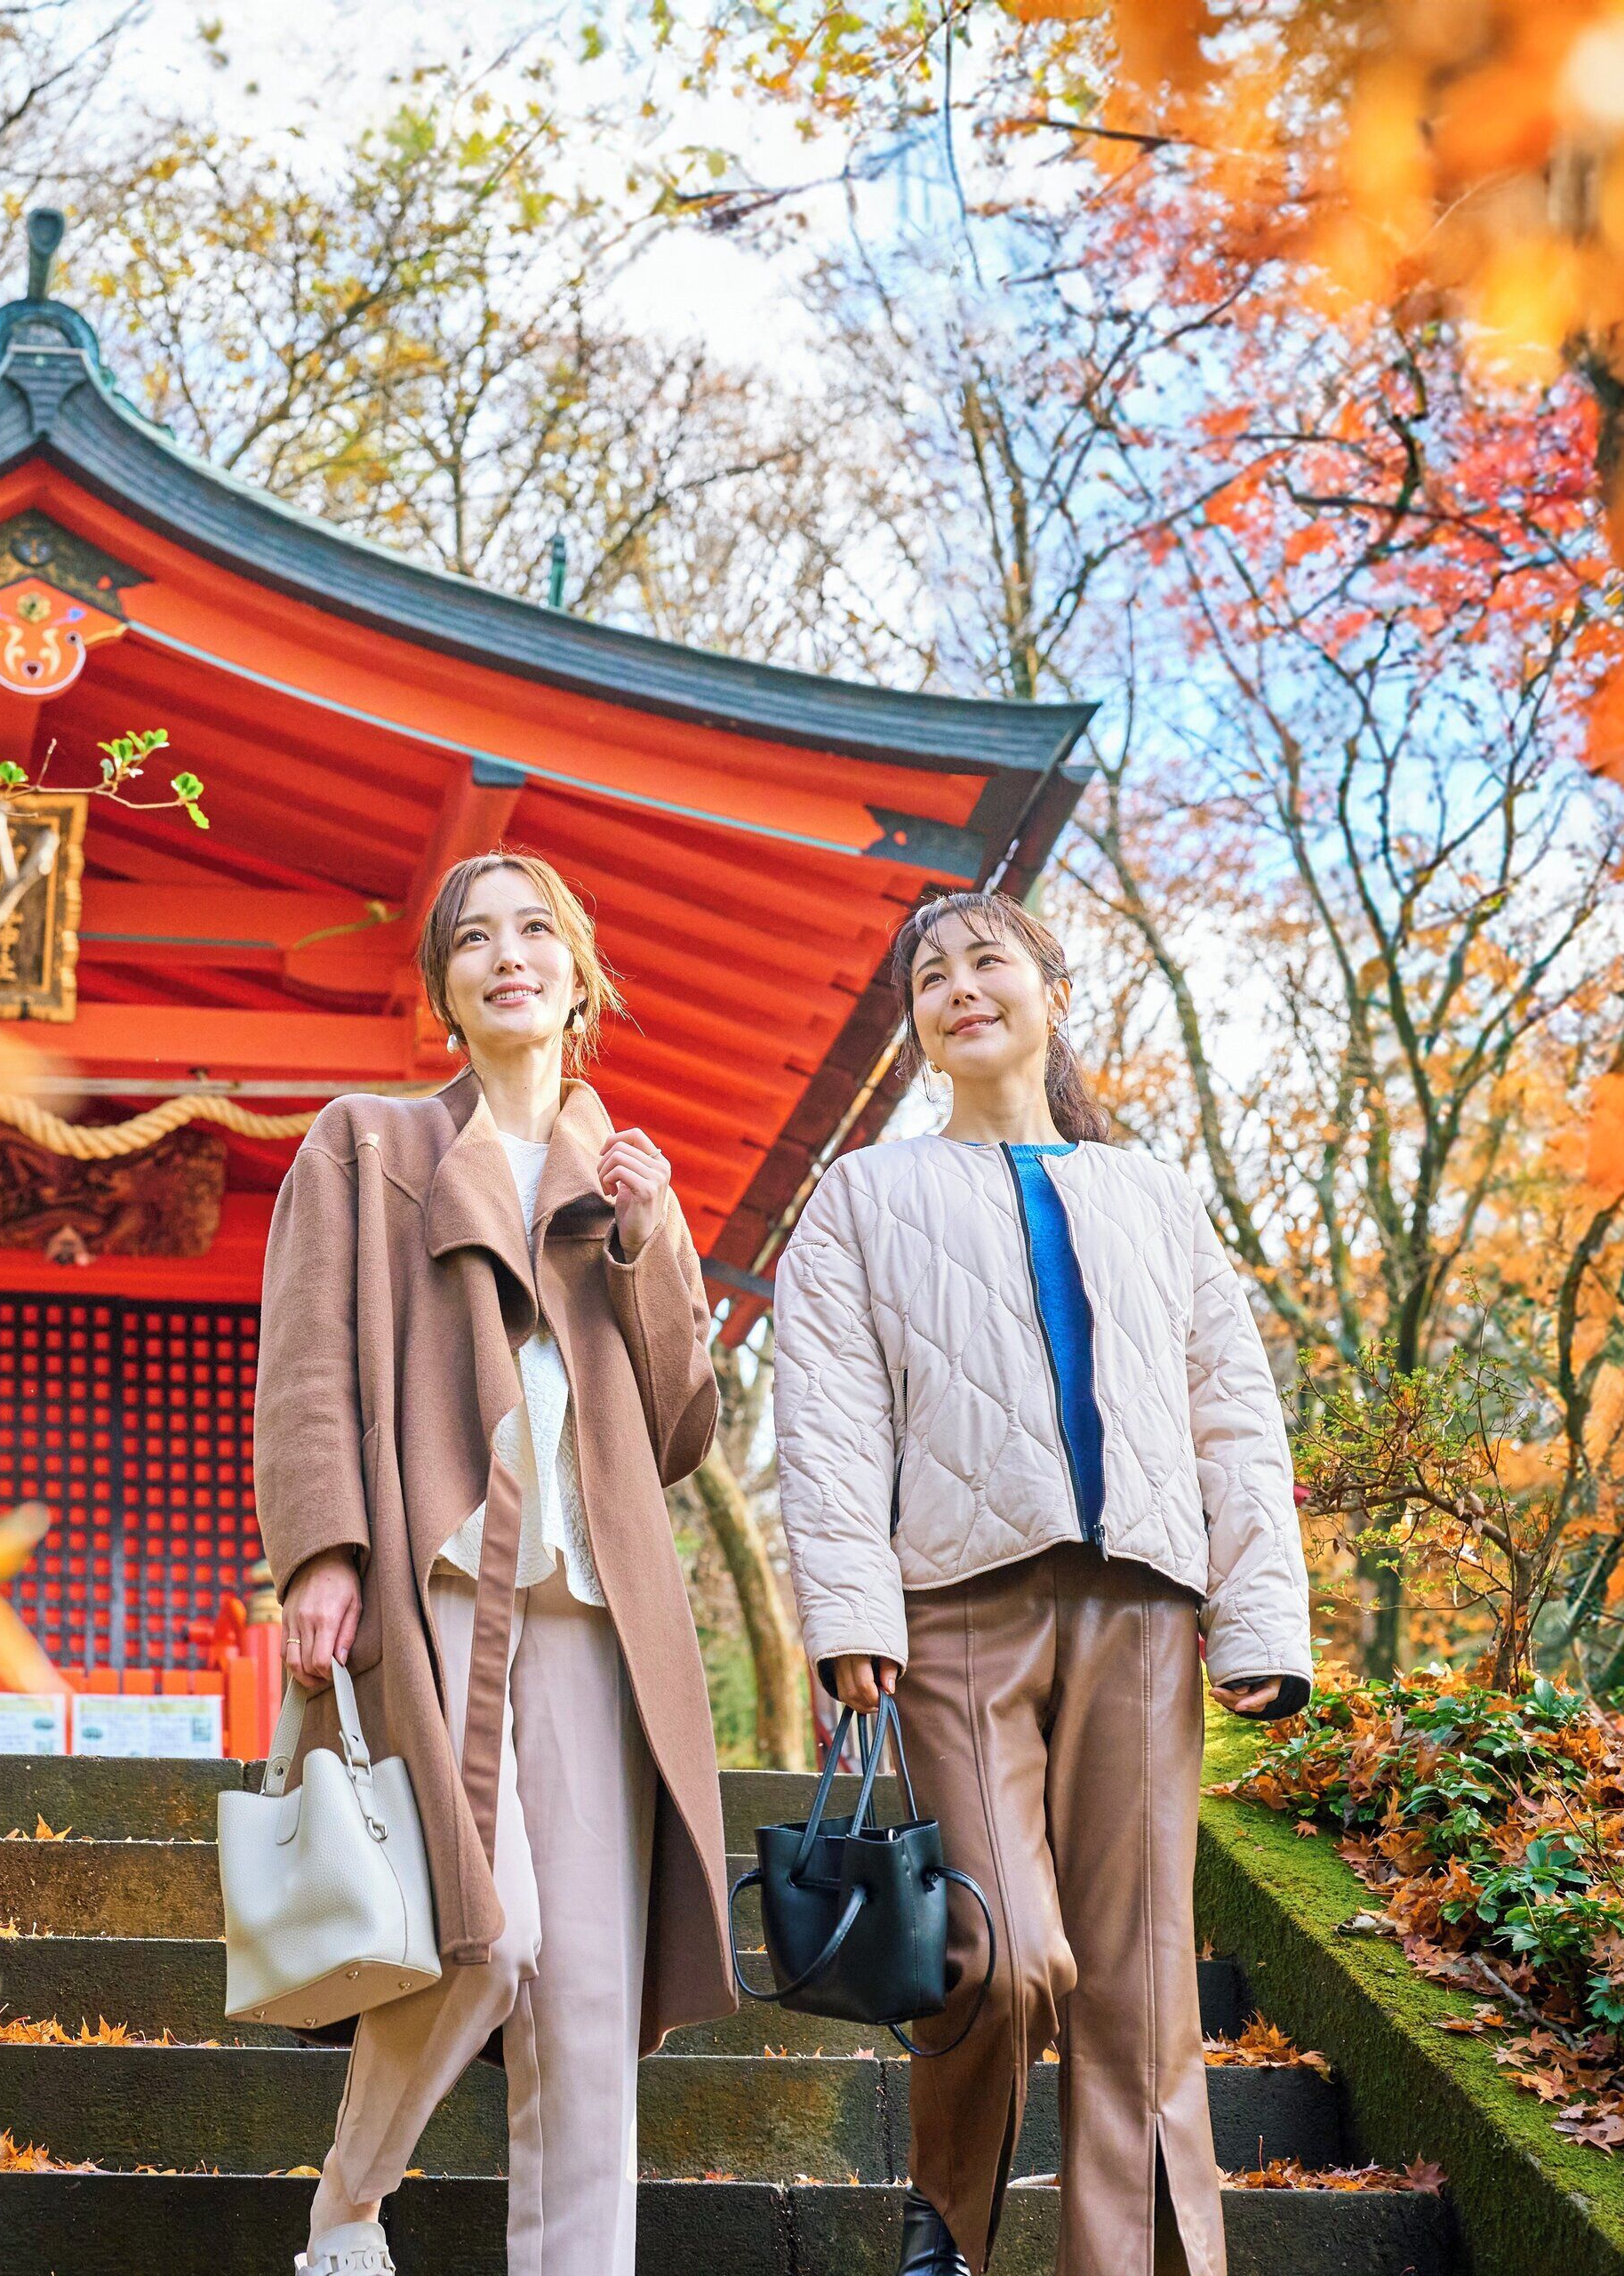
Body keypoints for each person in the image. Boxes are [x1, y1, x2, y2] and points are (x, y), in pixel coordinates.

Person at [772, 890, 1316, 2276]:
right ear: (916, 1025)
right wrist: (850, 1620)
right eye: (931, 974)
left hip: (1142, 1612)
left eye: (988, 961)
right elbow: (827, 1421)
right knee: (1004, 1954)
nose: (961, 987)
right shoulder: (864, 1196)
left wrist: (1259, 1618)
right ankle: (948, 2220)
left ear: (1051, 991)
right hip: (953, 1612)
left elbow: (1233, 1417)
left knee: (1142, 1994)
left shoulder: (1154, 1193)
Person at [253, 850, 735, 2276]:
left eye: (538, 933)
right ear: (446, 991)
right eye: (475, 941)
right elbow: (307, 1367)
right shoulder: (368, 1146)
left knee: (588, 1989)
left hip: (596, 1612)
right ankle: (349, 2204)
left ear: (581, 978)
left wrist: (648, 1246)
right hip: (437, 1583)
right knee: (487, 1930)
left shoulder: (624, 1182)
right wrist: (320, 1553)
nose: (507, 955)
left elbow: (680, 1430)